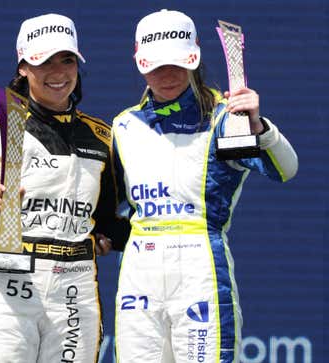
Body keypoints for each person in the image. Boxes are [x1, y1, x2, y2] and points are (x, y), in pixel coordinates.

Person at [112, 9, 298, 363]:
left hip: (199, 267)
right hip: (139, 269)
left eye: (178, 64)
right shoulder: (123, 125)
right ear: (140, 61)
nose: (167, 75)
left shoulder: (225, 117)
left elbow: (286, 169)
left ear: (194, 59)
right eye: (156, 66)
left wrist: (261, 127)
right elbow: (104, 202)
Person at [0, 13, 129, 363]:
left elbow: (107, 221)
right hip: (10, 290)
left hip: (75, 288)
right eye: (44, 61)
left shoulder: (102, 136)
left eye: (67, 60)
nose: (58, 72)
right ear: (24, 66)